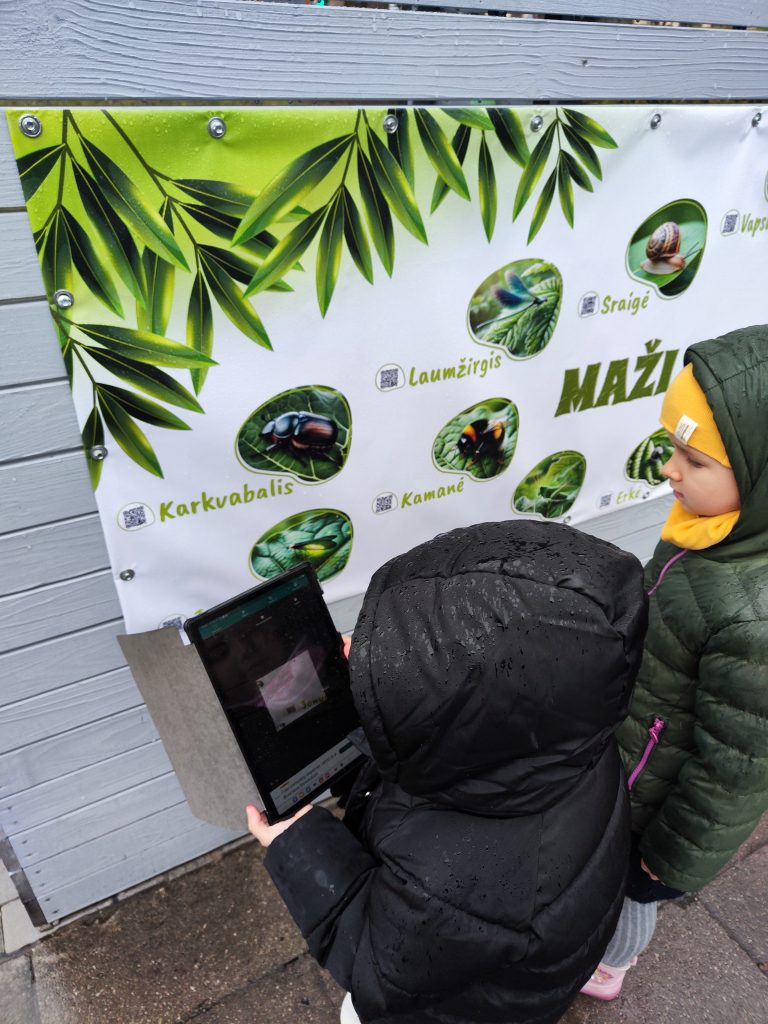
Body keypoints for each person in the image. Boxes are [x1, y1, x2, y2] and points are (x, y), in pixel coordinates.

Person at [247, 518, 647, 1024]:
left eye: (403, 657)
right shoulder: (564, 739)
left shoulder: (458, 879)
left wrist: (300, 846)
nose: (349, 646)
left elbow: (374, 963)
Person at [582, 324, 768, 1001]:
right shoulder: (712, 527)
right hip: (635, 748)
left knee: (628, 895)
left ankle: (612, 966)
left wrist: (668, 862)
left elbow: (736, 774)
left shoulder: (756, 622)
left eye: (693, 459)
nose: (669, 469)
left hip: (656, 810)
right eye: (672, 449)